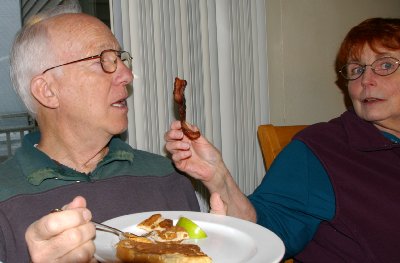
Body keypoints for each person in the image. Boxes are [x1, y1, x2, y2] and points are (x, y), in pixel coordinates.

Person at [164, 17, 400, 262]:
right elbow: (262, 231)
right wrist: (219, 178)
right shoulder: (323, 150)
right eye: (357, 70)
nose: (366, 80)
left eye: (385, 66)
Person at [0, 2, 200, 263]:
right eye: (103, 60)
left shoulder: (167, 176)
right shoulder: (5, 200)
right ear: (47, 91)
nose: (127, 75)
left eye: (120, 59)